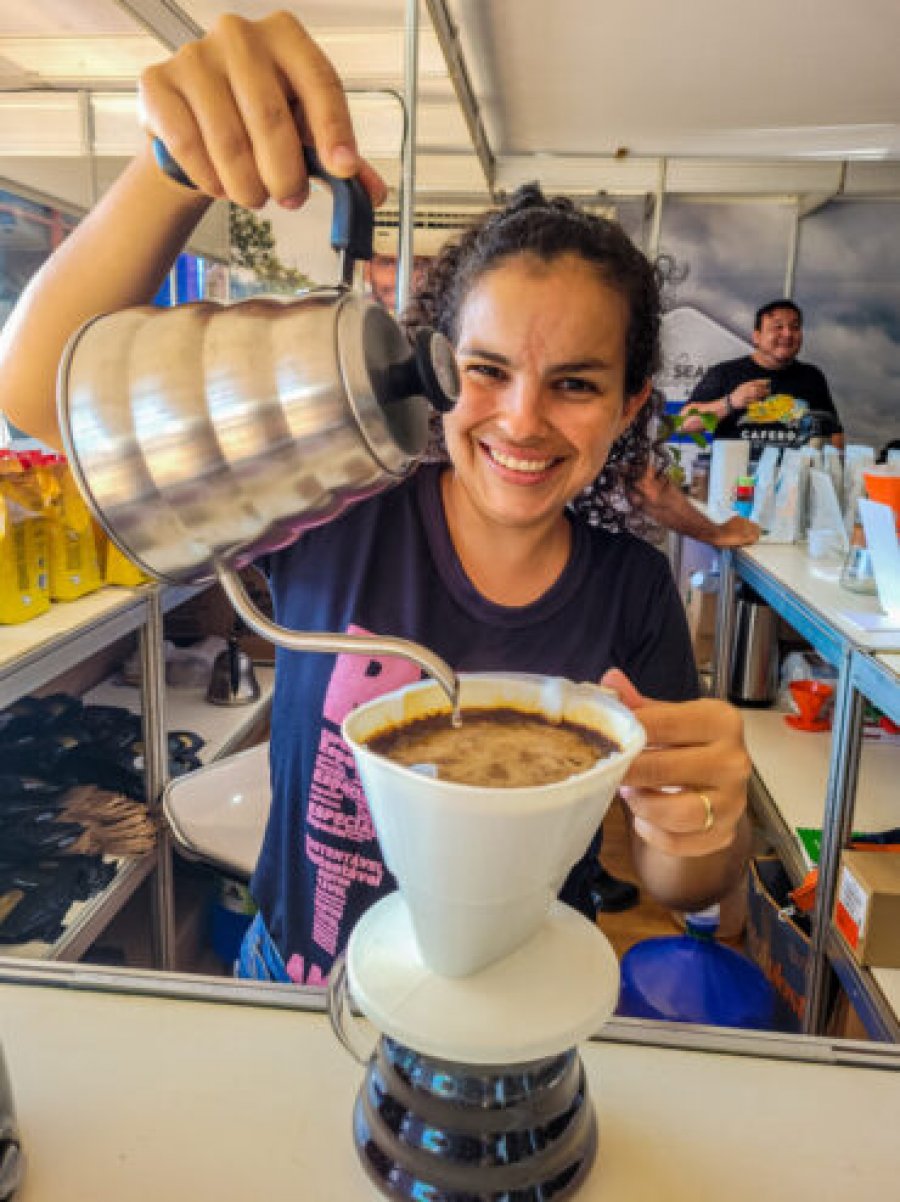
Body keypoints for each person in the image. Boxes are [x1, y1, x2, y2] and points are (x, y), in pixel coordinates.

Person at [0, 10, 751, 985]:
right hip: (295, 982)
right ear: (435, 369)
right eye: (486, 369)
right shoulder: (342, 505)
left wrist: (699, 816)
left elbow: (680, 878)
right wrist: (171, 165)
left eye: (574, 383)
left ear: (627, 405)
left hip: (509, 999)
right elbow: (39, 397)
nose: (523, 421)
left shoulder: (632, 590)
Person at [680, 298, 844, 448]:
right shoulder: (725, 373)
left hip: (793, 477)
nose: (787, 334)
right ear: (756, 337)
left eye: (795, 327)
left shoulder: (812, 377)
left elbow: (833, 431)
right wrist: (732, 402)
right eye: (778, 327)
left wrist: (835, 470)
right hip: (737, 478)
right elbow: (685, 423)